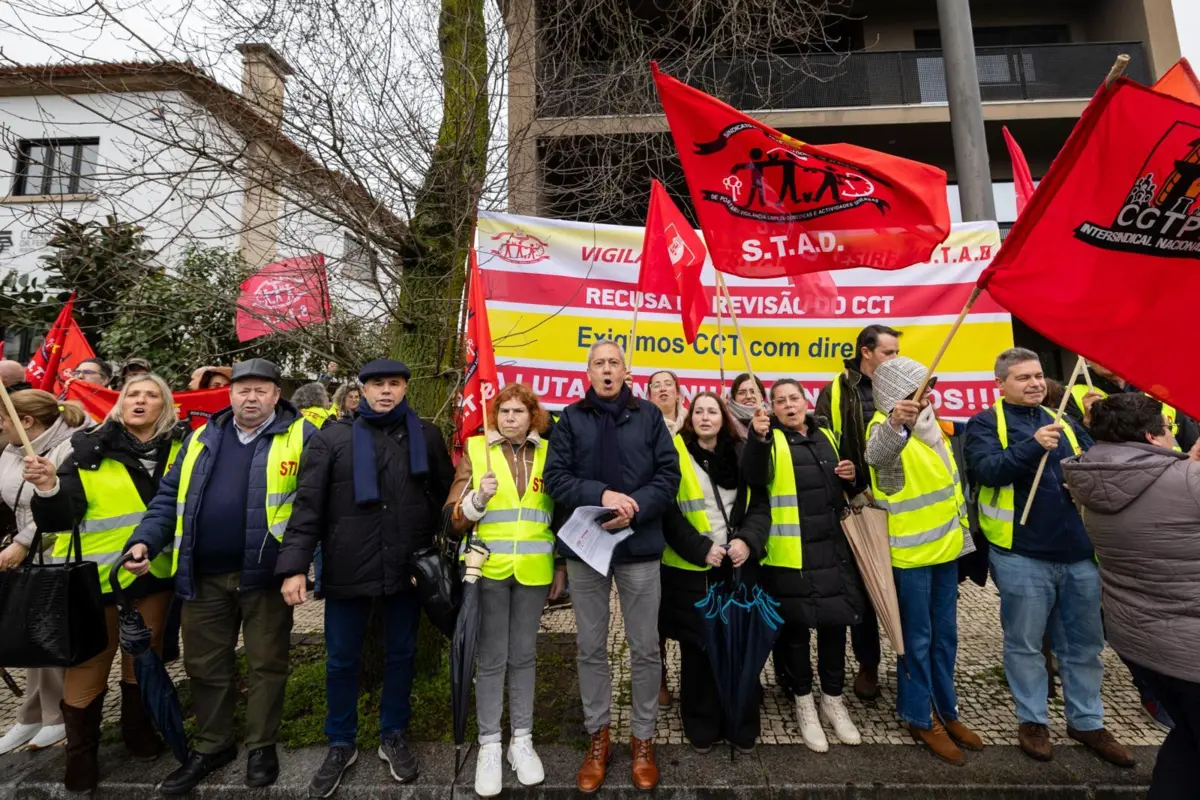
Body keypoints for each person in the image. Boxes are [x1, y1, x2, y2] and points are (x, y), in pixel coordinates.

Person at [122, 358, 316, 794]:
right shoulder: (199, 437)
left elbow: (310, 507)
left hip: (267, 576)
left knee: (268, 663)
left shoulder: (301, 435)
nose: (251, 397)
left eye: (261, 390)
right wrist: (145, 542)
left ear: (275, 394)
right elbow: (169, 497)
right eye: (243, 389)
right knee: (205, 665)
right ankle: (213, 745)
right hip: (202, 574)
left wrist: (297, 566)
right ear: (230, 394)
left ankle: (261, 744)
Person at [275, 359, 454, 799]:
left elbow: (445, 496)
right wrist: (295, 565)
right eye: (377, 384)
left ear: (406, 388)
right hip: (346, 564)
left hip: (406, 566)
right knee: (341, 659)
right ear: (364, 390)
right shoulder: (331, 438)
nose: (386, 391)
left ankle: (393, 733)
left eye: (394, 383)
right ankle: (340, 741)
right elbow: (308, 507)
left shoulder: (426, 436)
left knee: (401, 653)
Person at [964, 349, 1132, 766]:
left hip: (1078, 554)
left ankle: (1088, 721)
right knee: (1024, 645)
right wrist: (1031, 448)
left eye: (1038, 376)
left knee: (1084, 645)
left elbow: (1096, 465)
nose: (1036, 383)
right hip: (1022, 554)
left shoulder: (1065, 421)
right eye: (1023, 378)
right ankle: (1033, 719)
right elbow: (985, 471)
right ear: (1000, 385)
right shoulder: (986, 423)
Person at [25, 376, 187, 792]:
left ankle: (136, 730)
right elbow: (60, 519)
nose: (141, 401)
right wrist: (47, 488)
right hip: (93, 579)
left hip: (154, 575)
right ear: (119, 403)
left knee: (143, 657)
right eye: (133, 394)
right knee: (89, 663)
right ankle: (80, 755)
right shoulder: (87, 448)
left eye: (152, 395)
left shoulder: (183, 449)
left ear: (165, 406)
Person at [543, 340, 680, 793]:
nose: (606, 370)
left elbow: (668, 475)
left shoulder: (648, 417)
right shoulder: (569, 419)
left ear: (626, 370)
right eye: (598, 363)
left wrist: (636, 505)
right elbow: (558, 477)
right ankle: (597, 737)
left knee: (644, 648)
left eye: (613, 363)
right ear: (588, 371)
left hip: (639, 545)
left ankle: (643, 738)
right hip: (587, 547)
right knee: (590, 646)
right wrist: (602, 495)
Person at [1063, 394, 1200, 796]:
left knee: (1188, 740)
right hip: (1190, 648)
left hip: (1141, 642)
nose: (1174, 435)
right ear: (1151, 436)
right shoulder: (1187, 481)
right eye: (1169, 429)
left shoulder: (1091, 475)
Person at [445, 383, 562, 797]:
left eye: (519, 411)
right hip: (488, 570)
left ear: (534, 416)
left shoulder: (551, 455)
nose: (511, 418)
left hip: (534, 571)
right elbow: (451, 518)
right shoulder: (478, 452)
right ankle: (490, 744)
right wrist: (477, 499)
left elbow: (560, 514)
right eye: (504, 411)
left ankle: (522, 741)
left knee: (524, 656)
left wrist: (561, 566)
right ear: (495, 416)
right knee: (492, 658)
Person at [864, 356, 983, 765]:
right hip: (911, 556)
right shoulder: (885, 429)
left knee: (945, 637)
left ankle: (946, 711)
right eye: (918, 388)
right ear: (896, 396)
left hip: (946, 552)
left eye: (929, 386)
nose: (928, 394)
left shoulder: (936, 428)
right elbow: (877, 457)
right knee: (915, 641)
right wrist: (896, 422)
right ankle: (919, 716)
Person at [742, 379, 864, 752]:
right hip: (789, 553)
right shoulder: (770, 440)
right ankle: (804, 702)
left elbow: (850, 481)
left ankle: (833, 700)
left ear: (806, 401)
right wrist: (757, 440)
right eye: (780, 402)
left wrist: (852, 474)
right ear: (772, 409)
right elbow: (754, 477)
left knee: (834, 628)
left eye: (794, 398)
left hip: (832, 550)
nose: (789, 406)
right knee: (795, 633)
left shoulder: (827, 433)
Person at [659, 391, 769, 753]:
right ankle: (702, 722)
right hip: (696, 567)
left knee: (741, 646)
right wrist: (700, 548)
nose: (706, 417)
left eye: (713, 411)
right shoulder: (672, 453)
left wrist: (747, 542)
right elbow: (668, 511)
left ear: (724, 418)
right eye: (699, 412)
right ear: (690, 419)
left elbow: (759, 504)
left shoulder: (741, 454)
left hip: (737, 566)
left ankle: (741, 722)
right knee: (699, 650)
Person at [814, 323, 900, 700]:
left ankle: (910, 666)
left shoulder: (904, 389)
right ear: (866, 352)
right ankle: (869, 663)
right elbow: (824, 440)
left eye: (896, 352)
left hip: (904, 505)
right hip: (860, 503)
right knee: (865, 587)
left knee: (905, 590)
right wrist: (849, 480)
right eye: (888, 353)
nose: (895, 359)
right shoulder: (835, 390)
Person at [0, 390, 87, 755]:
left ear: (28, 422)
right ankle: (31, 714)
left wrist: (23, 542)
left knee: (50, 635)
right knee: (28, 634)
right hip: (23, 554)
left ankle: (57, 715)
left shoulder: (69, 449)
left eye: (4, 419)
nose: (1, 426)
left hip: (56, 551)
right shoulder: (9, 451)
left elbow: (67, 505)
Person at [647, 368, 684, 707]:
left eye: (667, 384)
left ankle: (695, 676)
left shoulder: (696, 421)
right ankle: (658, 677)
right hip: (654, 527)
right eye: (655, 385)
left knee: (688, 608)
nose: (662, 390)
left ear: (678, 392)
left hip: (691, 530)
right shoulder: (642, 426)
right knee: (654, 612)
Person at [1066, 360, 1199, 454]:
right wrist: (1089, 424)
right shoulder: (1070, 394)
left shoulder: (1159, 386)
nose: (1104, 357)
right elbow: (1076, 450)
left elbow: (1190, 439)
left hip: (1174, 473)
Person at [728, 372, 767, 440]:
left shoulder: (774, 419)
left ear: (761, 395)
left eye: (753, 391)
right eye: (742, 393)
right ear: (734, 398)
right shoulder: (726, 422)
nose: (748, 396)